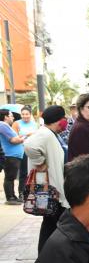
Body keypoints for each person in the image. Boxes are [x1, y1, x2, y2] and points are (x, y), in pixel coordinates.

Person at [24, 105, 71, 251]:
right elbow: (30, 145)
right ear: (59, 120)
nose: (66, 122)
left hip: (54, 189)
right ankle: (45, 261)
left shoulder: (52, 134)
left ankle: (46, 260)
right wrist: (40, 163)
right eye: (64, 119)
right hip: (51, 190)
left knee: (51, 224)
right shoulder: (45, 134)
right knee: (52, 224)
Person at [0, 109, 25, 204]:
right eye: (11, 115)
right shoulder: (3, 125)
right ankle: (10, 198)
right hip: (10, 155)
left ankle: (12, 196)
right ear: (6, 117)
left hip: (13, 155)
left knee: (11, 176)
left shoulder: (5, 126)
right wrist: (22, 139)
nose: (13, 117)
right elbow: (13, 140)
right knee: (10, 177)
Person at [14, 105, 38, 198]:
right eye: (23, 114)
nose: (25, 116)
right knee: (23, 172)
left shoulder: (34, 124)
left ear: (30, 114)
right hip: (22, 150)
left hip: (33, 150)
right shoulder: (17, 123)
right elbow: (14, 138)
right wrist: (27, 134)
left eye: (27, 114)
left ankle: (32, 191)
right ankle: (21, 192)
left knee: (32, 171)